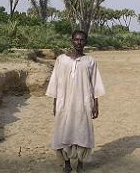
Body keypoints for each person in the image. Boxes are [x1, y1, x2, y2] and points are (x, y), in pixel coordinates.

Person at [46, 30, 106, 173]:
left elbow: (95, 84)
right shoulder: (61, 60)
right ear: (71, 41)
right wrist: (55, 104)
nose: (79, 42)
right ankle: (66, 164)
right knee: (63, 132)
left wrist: (95, 104)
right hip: (64, 103)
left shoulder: (90, 61)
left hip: (83, 104)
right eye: (76, 40)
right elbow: (55, 82)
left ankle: (80, 164)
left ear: (86, 42)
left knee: (82, 132)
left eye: (82, 40)